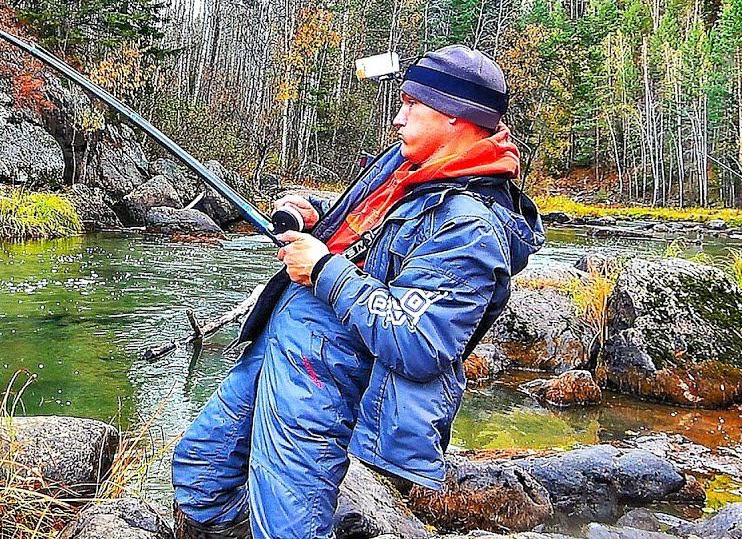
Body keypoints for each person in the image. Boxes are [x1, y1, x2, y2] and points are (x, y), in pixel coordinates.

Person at [171, 45, 545, 539]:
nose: (397, 116)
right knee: (202, 473)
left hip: (325, 381)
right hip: (279, 344)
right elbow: (371, 221)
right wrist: (314, 211)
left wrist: (322, 268)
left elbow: (421, 342)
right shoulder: (410, 165)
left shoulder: (470, 227)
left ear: (457, 117)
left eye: (412, 104)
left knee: (288, 522)